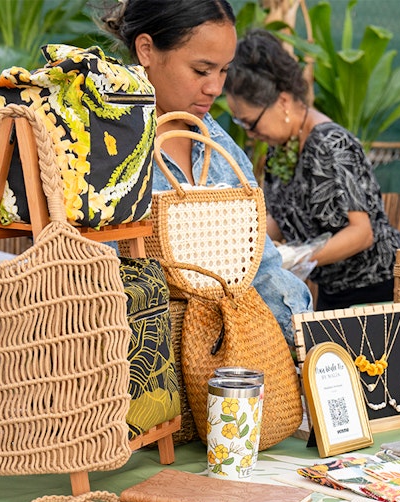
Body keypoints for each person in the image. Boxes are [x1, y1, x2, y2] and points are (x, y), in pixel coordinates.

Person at [100, 0, 312, 345]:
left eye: (224, 71)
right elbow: (94, 285)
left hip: (224, 367)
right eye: (201, 70)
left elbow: (262, 272)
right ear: (146, 50)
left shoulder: (222, 151)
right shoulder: (105, 149)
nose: (215, 87)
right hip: (137, 374)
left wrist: (308, 343)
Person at [223, 30, 400, 311]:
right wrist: (243, 243)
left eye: (251, 123)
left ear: (282, 101)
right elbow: (280, 219)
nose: (250, 134)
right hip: (331, 289)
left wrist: (299, 255)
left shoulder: (332, 144)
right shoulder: (280, 148)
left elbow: (362, 233)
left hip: (377, 288)